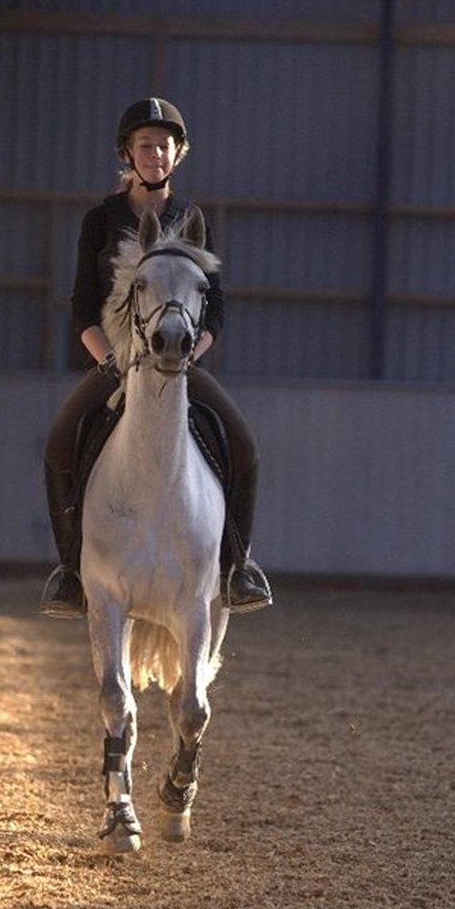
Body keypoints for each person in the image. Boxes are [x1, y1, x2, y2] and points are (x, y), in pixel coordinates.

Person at [41, 97, 272, 618]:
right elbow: (82, 310)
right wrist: (111, 361)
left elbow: (213, 314)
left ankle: (237, 567)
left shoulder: (191, 220)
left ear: (177, 154)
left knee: (244, 444)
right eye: (146, 145)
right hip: (116, 363)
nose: (156, 154)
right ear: (128, 152)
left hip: (179, 363)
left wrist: (191, 356)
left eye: (165, 146)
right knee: (59, 444)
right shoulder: (100, 220)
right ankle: (72, 574)